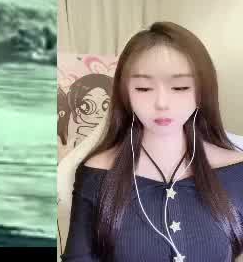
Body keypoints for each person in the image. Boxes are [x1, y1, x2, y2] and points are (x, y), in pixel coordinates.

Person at [63, 22, 243, 261]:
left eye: (180, 87)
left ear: (202, 91)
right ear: (125, 93)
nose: (161, 103)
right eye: (144, 88)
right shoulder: (97, 174)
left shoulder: (236, 170)